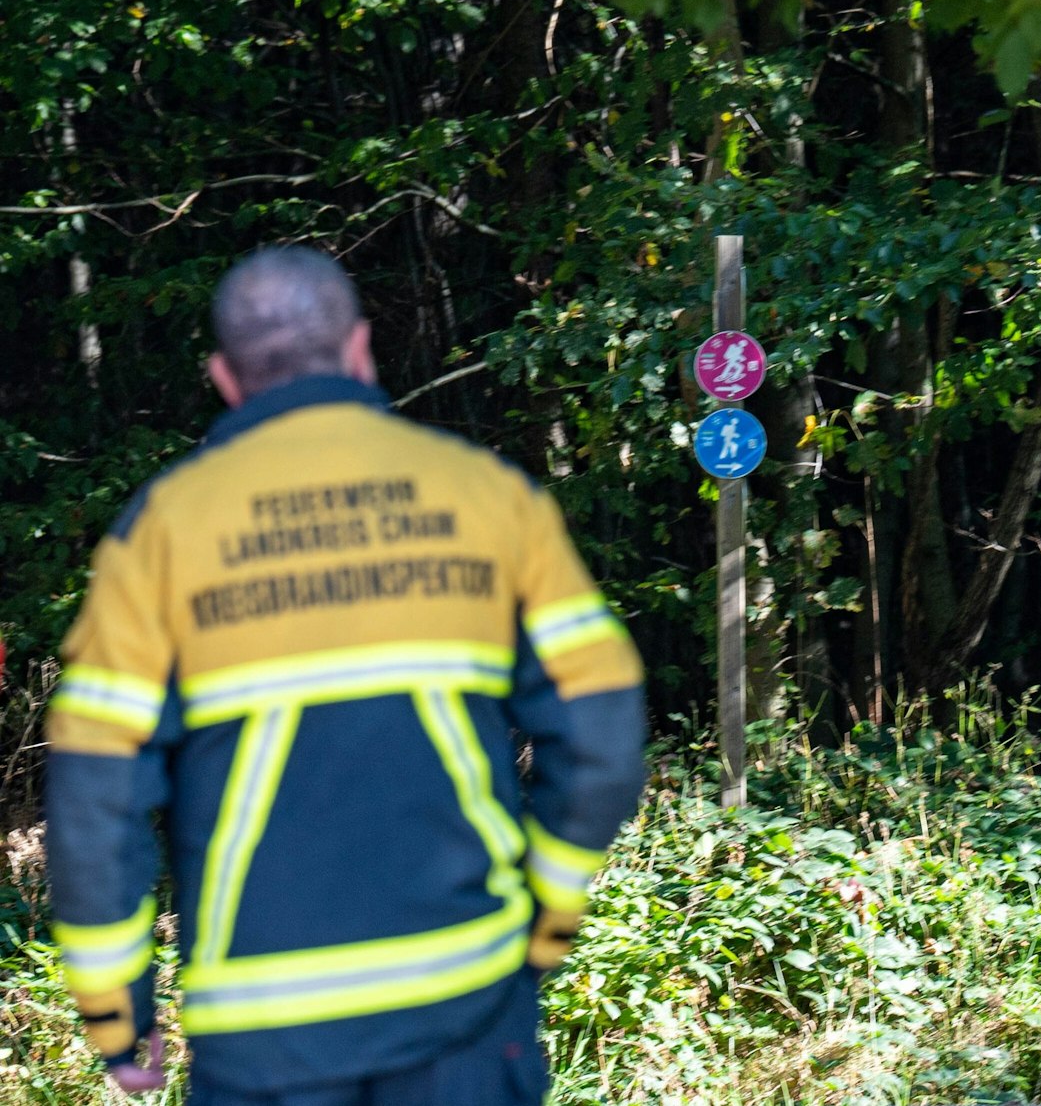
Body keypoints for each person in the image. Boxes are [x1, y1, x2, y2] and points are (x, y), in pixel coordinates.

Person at [42, 246, 649, 1103]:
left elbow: (93, 798)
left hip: (264, 1038)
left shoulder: (161, 533)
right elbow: (601, 731)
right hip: (467, 1008)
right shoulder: (485, 495)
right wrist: (545, 920)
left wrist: (116, 1012)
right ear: (361, 349)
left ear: (225, 378)